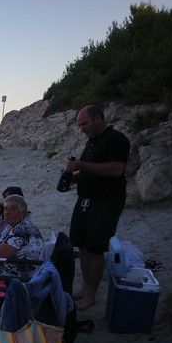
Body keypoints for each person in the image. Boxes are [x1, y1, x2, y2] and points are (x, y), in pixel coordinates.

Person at [65, 104, 130, 310]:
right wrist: (72, 178)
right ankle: (85, 288)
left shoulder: (117, 139)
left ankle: (91, 295)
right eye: (79, 124)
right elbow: (92, 171)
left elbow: (116, 169)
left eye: (84, 123)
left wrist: (81, 166)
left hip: (106, 201)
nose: (81, 128)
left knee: (95, 248)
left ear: (98, 118)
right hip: (86, 199)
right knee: (82, 245)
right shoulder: (92, 142)